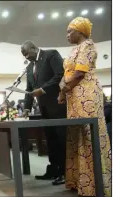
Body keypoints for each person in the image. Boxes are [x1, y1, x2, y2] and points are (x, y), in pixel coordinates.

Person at [58, 17, 111, 196]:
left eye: (69, 31)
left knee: (88, 134)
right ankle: (79, 181)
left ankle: (94, 183)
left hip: (86, 94)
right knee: (76, 134)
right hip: (74, 95)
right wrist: (62, 91)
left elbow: (80, 73)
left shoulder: (88, 45)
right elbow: (67, 73)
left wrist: (64, 88)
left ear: (80, 31)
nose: (67, 35)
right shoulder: (74, 50)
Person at [21, 40, 66, 185]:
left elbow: (60, 75)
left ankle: (65, 172)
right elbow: (29, 88)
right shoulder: (29, 67)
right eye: (23, 55)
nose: (26, 56)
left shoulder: (50, 55)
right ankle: (53, 169)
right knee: (51, 140)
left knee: (61, 140)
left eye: (27, 53)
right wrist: (27, 107)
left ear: (34, 48)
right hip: (44, 108)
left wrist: (43, 89)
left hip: (58, 105)